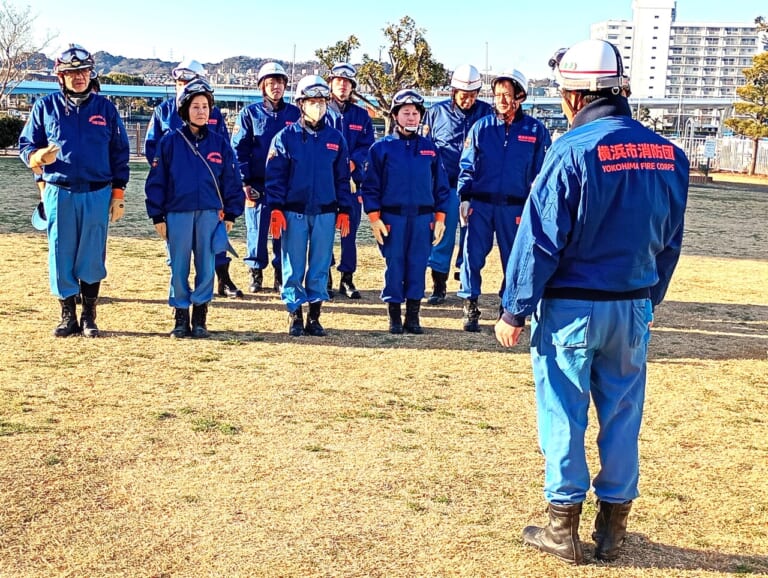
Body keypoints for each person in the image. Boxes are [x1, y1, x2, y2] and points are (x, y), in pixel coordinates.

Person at [494, 39, 688, 564]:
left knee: (563, 411)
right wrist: (649, 300)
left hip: (572, 308)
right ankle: (613, 528)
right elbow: (670, 241)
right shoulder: (669, 154)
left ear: (575, 96)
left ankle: (563, 526)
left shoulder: (570, 151)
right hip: (632, 304)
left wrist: (514, 308)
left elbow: (539, 239)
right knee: (623, 413)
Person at [19, 44, 130, 338]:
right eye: (72, 72)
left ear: (91, 74)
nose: (79, 77)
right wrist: (37, 157)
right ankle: (67, 314)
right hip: (59, 191)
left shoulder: (106, 109)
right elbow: (26, 145)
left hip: (97, 192)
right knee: (61, 253)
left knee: (92, 254)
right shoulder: (45, 107)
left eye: (84, 71)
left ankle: (89, 315)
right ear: (61, 76)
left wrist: (118, 193)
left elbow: (120, 153)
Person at [145, 79, 243, 338]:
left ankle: (200, 316)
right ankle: (180, 315)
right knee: (178, 266)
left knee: (206, 265)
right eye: (195, 106)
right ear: (184, 110)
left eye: (205, 106)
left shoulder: (220, 143)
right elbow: (157, 181)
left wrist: (231, 213)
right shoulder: (169, 142)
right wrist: (157, 215)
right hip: (177, 212)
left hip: (210, 214)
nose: (201, 111)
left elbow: (231, 180)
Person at [457, 69, 551, 332]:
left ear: (520, 97)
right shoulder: (481, 128)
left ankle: (507, 306)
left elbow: (542, 172)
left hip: (516, 207)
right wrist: (465, 197)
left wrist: (535, 207)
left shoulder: (535, 130)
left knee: (514, 258)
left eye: (507, 95)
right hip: (480, 204)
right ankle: (470, 302)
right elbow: (467, 166)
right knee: (472, 255)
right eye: (497, 94)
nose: (501, 100)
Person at [265, 75, 352, 337]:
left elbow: (342, 178)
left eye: (322, 101)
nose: (318, 106)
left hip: (325, 212)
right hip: (294, 212)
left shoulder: (336, 139)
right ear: (301, 104)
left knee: (320, 265)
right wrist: (276, 208)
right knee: (293, 265)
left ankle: (315, 315)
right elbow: (275, 177)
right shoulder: (285, 138)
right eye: (312, 102)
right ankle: (295, 314)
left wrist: (345, 209)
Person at [361, 89, 450, 334]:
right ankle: (394, 316)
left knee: (418, 265)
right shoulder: (381, 149)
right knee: (395, 266)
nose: (411, 118)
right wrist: (374, 218)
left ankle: (413, 316)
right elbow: (370, 187)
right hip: (392, 218)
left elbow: (441, 186)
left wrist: (440, 217)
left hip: (423, 219)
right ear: (395, 115)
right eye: (406, 113)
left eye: (415, 113)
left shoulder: (430, 149)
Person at [422, 64, 493, 305]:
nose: (468, 100)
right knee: (442, 236)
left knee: (471, 238)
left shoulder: (487, 114)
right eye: (464, 95)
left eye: (473, 95)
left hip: (475, 188)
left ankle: (466, 283)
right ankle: (438, 284)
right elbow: (425, 148)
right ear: (453, 92)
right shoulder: (436, 113)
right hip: (445, 186)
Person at [231, 62, 300, 294]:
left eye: (280, 82)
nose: (276, 87)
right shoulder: (249, 114)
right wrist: (244, 182)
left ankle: (281, 274)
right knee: (257, 231)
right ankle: (256, 272)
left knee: (284, 232)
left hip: (287, 185)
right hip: (257, 184)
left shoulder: (295, 114)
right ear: (262, 86)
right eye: (271, 83)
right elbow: (238, 150)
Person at [325, 62, 375, 299]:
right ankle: (324, 274)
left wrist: (354, 162)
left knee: (349, 232)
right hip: (326, 182)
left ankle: (347, 277)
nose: (342, 86)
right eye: (338, 81)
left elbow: (367, 146)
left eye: (347, 82)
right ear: (331, 84)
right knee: (324, 231)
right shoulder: (321, 110)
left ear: (352, 87)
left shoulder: (361, 115)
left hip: (352, 183)